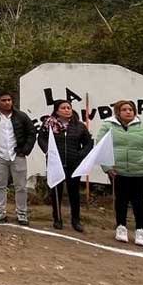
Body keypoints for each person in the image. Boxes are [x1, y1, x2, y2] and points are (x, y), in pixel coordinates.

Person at [98, 99, 143, 247]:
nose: (128, 112)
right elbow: (100, 146)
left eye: (131, 110)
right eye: (124, 109)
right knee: (120, 200)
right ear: (118, 112)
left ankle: (141, 230)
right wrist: (107, 167)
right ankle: (121, 227)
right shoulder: (108, 127)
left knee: (138, 201)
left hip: (140, 172)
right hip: (118, 172)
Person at [0, 91, 37, 225]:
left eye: (9, 100)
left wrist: (25, 150)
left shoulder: (21, 116)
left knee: (21, 186)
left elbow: (31, 133)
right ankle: (0, 211)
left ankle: (22, 213)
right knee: (0, 185)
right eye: (4, 100)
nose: (7, 103)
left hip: (17, 155)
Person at [37, 99, 93, 232]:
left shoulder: (79, 126)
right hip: (55, 162)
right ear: (57, 110)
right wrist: (47, 151)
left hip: (74, 163)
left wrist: (80, 155)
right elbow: (41, 138)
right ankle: (57, 218)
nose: (67, 110)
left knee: (74, 192)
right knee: (56, 191)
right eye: (63, 108)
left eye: (69, 108)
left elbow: (88, 143)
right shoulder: (49, 124)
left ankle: (76, 220)